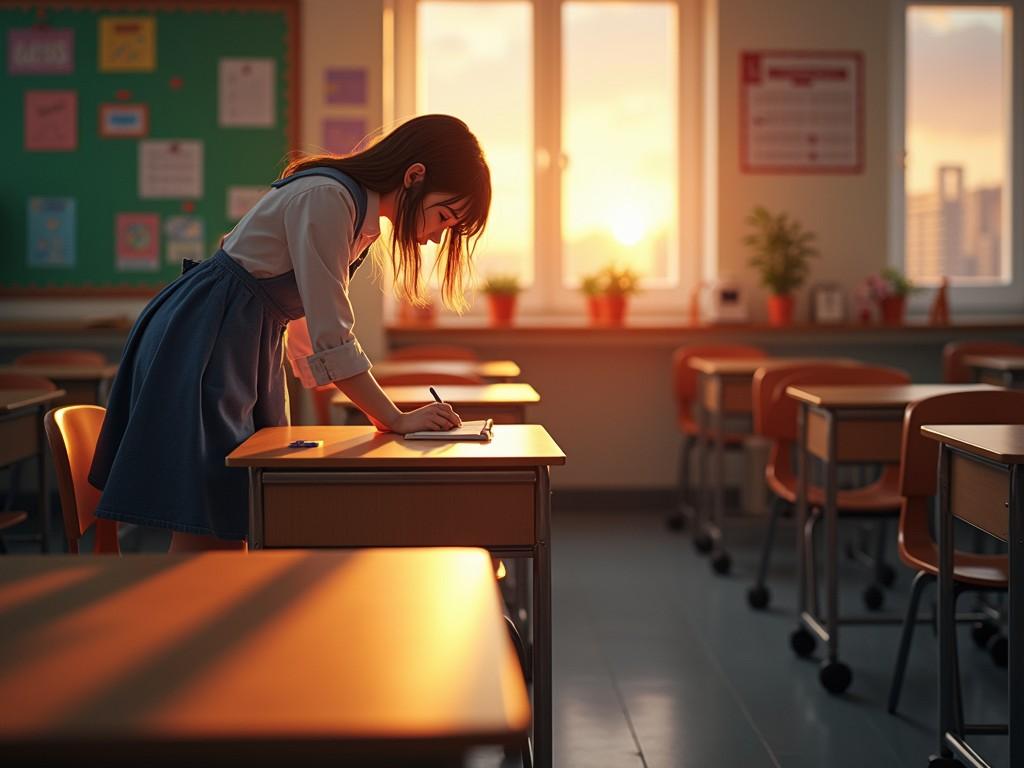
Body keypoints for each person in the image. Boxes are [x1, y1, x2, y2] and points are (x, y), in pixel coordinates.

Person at [88, 114, 492, 551]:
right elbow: (331, 332)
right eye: (444, 216)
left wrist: (317, 387)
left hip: (242, 336)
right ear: (414, 176)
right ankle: (187, 613)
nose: (435, 237)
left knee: (235, 511)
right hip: (208, 334)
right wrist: (393, 418)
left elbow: (304, 315)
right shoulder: (330, 198)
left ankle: (211, 612)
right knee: (211, 516)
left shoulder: (356, 212)